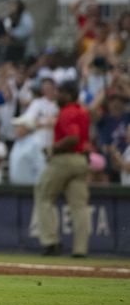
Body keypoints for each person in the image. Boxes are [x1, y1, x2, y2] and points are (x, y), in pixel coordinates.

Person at [34, 82, 91, 257]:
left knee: (43, 195)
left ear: (69, 94)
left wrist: (53, 149)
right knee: (79, 206)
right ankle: (80, 249)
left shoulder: (68, 112)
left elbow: (72, 138)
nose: (57, 96)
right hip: (81, 160)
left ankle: (51, 243)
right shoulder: (83, 111)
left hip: (64, 159)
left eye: (60, 93)